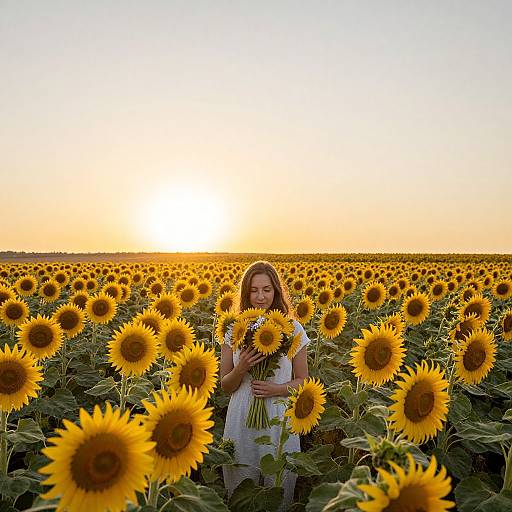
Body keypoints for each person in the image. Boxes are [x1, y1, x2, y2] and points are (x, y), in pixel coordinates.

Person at [220, 261, 310, 512]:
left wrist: (277, 389)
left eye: (267, 290)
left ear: (276, 292)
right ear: (246, 293)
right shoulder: (232, 330)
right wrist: (242, 368)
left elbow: (304, 381)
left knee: (278, 489)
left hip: (278, 419)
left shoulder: (293, 329)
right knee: (240, 490)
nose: (260, 297)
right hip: (241, 418)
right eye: (254, 290)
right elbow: (225, 385)